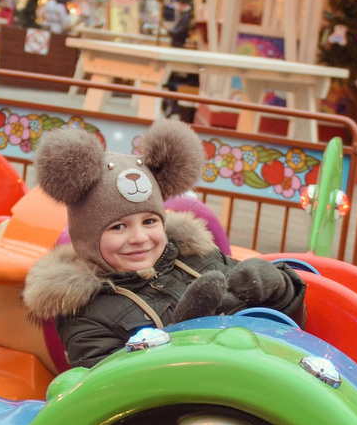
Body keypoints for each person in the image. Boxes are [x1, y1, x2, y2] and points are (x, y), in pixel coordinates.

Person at [21, 120, 306, 368]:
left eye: (149, 221)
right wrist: (185, 329)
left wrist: (278, 286)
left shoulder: (199, 257)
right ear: (88, 237)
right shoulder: (85, 313)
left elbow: (290, 327)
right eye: (119, 227)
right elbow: (114, 388)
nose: (139, 238)